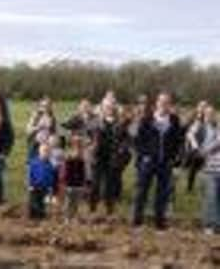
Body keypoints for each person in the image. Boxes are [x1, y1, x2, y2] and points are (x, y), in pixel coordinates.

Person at [132, 92, 183, 230]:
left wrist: (174, 159)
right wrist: (144, 155)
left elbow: (178, 141)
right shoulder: (147, 119)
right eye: (161, 102)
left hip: (165, 163)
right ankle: (137, 222)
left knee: (162, 194)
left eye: (167, 102)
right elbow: (137, 141)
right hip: (148, 162)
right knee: (141, 191)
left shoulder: (174, 120)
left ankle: (159, 223)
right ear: (156, 103)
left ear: (170, 105)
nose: (164, 105)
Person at [90, 100, 130, 216]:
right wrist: (92, 145)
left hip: (112, 157)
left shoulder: (120, 123)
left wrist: (122, 148)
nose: (109, 109)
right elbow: (88, 135)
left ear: (115, 109)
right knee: (95, 185)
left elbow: (126, 139)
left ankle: (109, 210)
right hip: (98, 157)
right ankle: (93, 209)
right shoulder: (96, 122)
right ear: (102, 108)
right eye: (107, 107)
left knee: (109, 186)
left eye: (112, 107)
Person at [199, 105, 220, 235]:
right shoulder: (203, 130)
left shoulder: (216, 129)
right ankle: (209, 224)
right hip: (210, 168)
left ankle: (216, 224)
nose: (210, 116)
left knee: (217, 197)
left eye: (212, 114)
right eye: (207, 114)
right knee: (211, 197)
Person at [59, 135, 87, 222]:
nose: (78, 151)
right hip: (69, 183)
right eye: (76, 147)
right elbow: (64, 172)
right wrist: (64, 183)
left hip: (78, 184)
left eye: (80, 147)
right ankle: (67, 217)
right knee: (68, 202)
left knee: (76, 202)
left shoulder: (81, 160)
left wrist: (83, 183)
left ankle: (74, 216)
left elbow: (83, 172)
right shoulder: (68, 159)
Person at [184, 100, 209, 193]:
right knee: (193, 168)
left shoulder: (208, 118)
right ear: (198, 107)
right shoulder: (192, 118)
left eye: (205, 106)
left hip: (204, 146)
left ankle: (205, 187)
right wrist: (187, 145)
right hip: (194, 147)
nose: (203, 108)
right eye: (202, 106)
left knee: (204, 167)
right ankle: (189, 187)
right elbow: (187, 132)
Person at [28, 143, 55, 220]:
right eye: (44, 151)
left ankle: (41, 216)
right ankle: (32, 216)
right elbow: (30, 174)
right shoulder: (34, 162)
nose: (45, 153)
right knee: (33, 201)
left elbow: (51, 176)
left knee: (42, 202)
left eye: (47, 152)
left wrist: (50, 186)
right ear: (40, 151)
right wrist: (30, 184)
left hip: (44, 187)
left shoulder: (49, 164)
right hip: (34, 186)